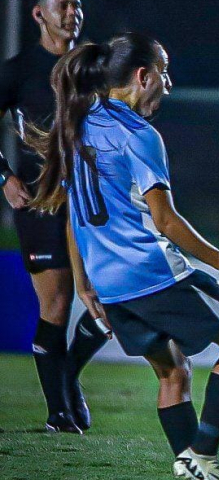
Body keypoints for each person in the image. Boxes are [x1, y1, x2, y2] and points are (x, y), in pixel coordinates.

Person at [25, 33, 219, 480]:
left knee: (172, 373)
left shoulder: (77, 124)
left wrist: (84, 283)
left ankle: (194, 470)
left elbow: (72, 218)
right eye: (164, 72)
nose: (169, 84)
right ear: (143, 76)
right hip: (155, 276)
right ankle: (201, 455)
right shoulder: (139, 135)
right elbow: (166, 220)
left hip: (112, 286)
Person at [0, 0, 109, 434]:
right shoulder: (18, 69)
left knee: (110, 300)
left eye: (77, 3)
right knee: (57, 304)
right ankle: (58, 413)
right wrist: (5, 178)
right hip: (42, 201)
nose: (71, 10)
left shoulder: (97, 66)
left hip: (94, 201)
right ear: (38, 14)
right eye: (60, 3)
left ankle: (67, 374)